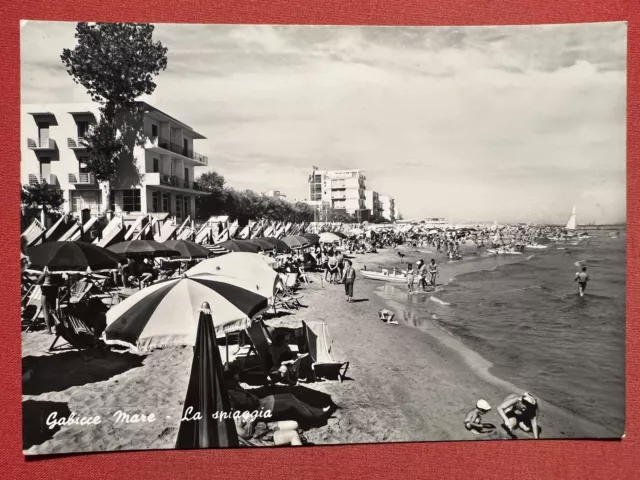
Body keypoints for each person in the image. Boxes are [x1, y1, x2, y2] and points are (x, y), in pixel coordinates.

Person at [224, 366, 333, 428]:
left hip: (261, 403)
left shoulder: (235, 388)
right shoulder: (232, 392)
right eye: (236, 376)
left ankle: (314, 411)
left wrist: (252, 396)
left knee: (290, 396)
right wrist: (252, 397)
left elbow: (250, 398)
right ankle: (316, 416)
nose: (238, 378)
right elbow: (250, 403)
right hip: (259, 410)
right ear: (230, 379)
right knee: (291, 403)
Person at [36, 267, 62, 334]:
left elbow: (38, 281)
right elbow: (61, 282)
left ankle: (49, 330)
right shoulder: (59, 269)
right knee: (53, 310)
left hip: (46, 289)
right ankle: (57, 329)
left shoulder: (46, 268)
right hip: (55, 289)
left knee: (45, 310)